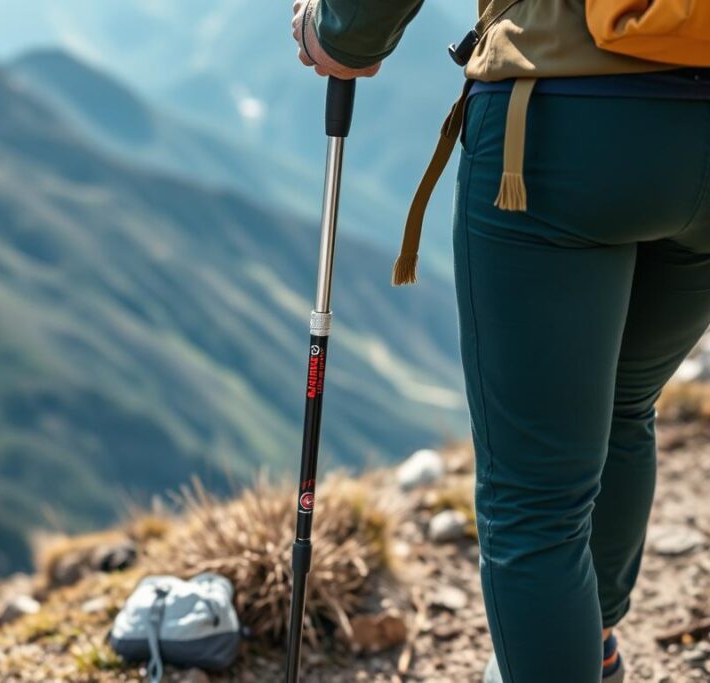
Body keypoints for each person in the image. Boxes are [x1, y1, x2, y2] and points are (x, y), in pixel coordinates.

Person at [291, 1, 710, 682]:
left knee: (535, 498)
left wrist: (337, 30)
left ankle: (569, 654)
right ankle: (591, 646)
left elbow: (355, 30)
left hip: (562, 126)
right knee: (624, 402)